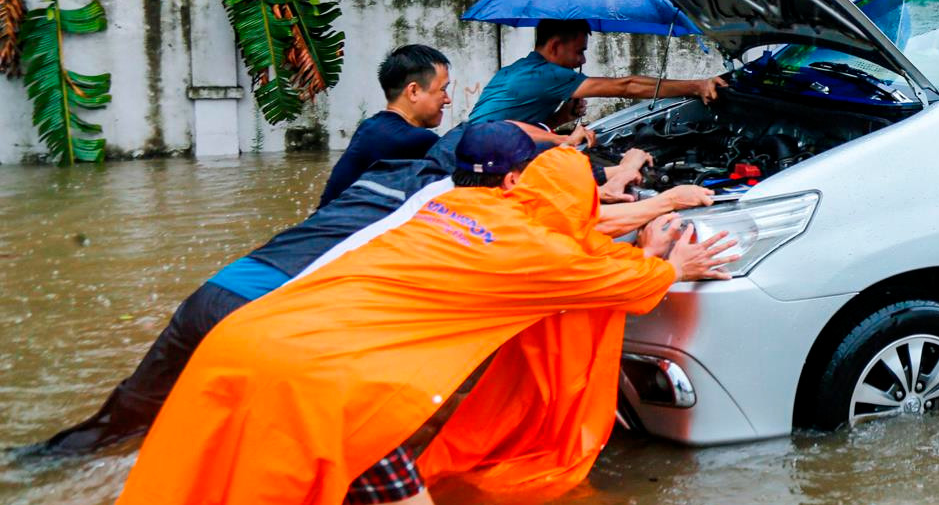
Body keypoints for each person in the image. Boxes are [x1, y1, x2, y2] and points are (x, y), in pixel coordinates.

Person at [42, 128, 735, 505]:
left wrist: (637, 213)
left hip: (239, 343)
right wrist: (671, 259)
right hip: (322, 381)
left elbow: (564, 232)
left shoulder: (450, 206)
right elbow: (629, 284)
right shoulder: (545, 256)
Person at [26, 136, 707, 459]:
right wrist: (661, 202)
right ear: (508, 185)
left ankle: (48, 463)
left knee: (136, 414)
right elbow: (565, 230)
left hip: (220, 290)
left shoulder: (403, 177)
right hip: (281, 318)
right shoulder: (471, 213)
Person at [468, 20, 725, 130]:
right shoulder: (545, 75)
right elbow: (627, 86)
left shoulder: (519, 68)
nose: (582, 60)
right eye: (579, 51)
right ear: (555, 46)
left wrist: (560, 118)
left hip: (468, 145)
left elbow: (518, 129)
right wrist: (696, 86)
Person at [319, 45, 453, 206]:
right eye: (443, 89)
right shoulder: (418, 140)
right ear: (413, 91)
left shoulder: (370, 127)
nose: (448, 99)